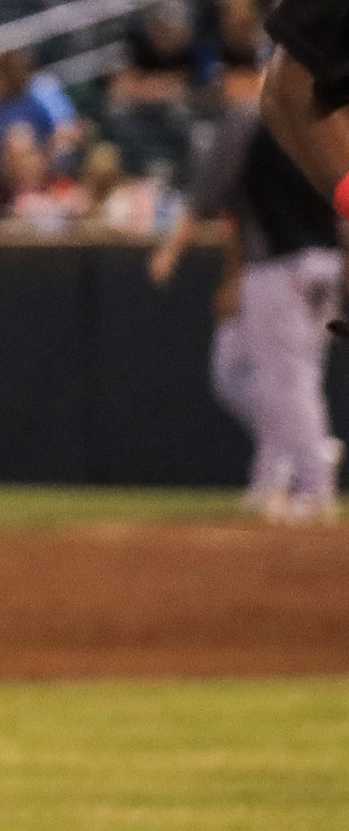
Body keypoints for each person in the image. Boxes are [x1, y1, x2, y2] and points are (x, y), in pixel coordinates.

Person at [152, 45, 342, 521]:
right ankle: (281, 471)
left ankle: (314, 484)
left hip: (281, 264)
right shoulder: (318, 124)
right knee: (257, 373)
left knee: (288, 380)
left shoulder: (246, 117)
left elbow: (209, 192)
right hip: (325, 262)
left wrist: (172, 249)